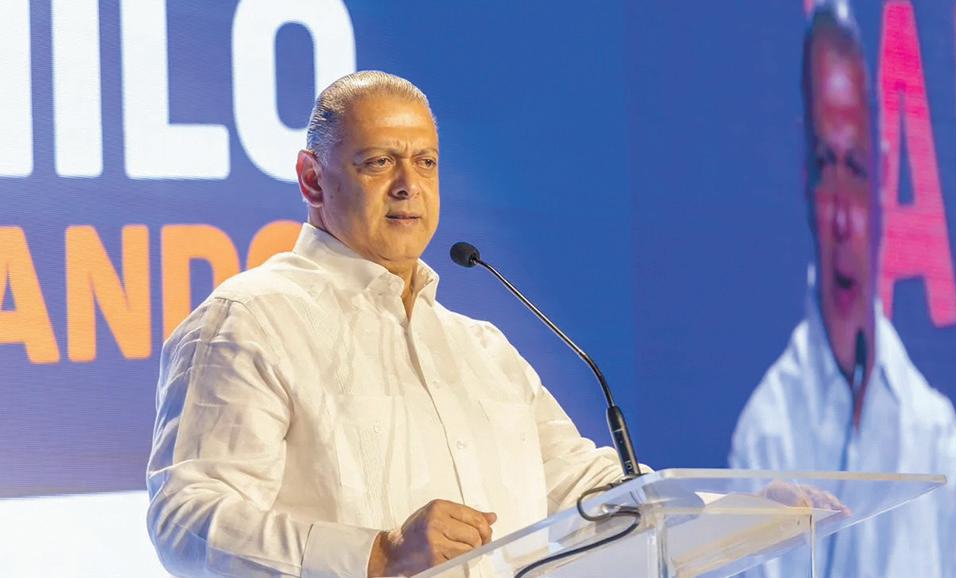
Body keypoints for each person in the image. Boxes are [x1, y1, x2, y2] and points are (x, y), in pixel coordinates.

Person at [146, 71, 639, 578]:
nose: (409, 186)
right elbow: (187, 521)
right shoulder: (251, 321)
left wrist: (673, 506)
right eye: (379, 162)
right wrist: (379, 555)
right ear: (312, 179)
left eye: (425, 163)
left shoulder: (482, 348)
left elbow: (582, 486)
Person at [729, 3, 956, 577]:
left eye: (854, 167)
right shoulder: (767, 431)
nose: (842, 216)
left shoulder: (933, 430)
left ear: (882, 173)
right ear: (804, 179)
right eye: (825, 166)